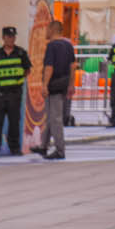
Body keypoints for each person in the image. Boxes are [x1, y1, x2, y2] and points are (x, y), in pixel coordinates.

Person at [0, 24, 29, 156]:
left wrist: (15, 80)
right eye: (9, 37)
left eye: (13, 37)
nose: (11, 39)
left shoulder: (21, 53)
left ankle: (14, 148)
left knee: (14, 122)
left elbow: (27, 70)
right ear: (3, 38)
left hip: (15, 93)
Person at [40, 22, 75, 160]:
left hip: (53, 85)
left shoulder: (52, 46)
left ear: (52, 30)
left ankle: (60, 150)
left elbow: (49, 67)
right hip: (64, 85)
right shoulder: (68, 45)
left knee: (55, 119)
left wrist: (44, 85)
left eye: (47, 29)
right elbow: (73, 66)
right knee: (51, 116)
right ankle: (43, 146)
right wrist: (71, 85)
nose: (46, 32)